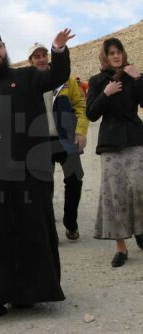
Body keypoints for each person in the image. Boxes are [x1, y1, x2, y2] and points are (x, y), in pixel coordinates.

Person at [0, 26, 74, 328]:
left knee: (29, 232)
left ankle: (27, 292)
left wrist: (58, 51)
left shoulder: (28, 77)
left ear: (5, 48)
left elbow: (56, 76)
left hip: (27, 175)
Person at [86, 37, 143, 267]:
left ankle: (140, 231)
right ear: (105, 56)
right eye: (111, 53)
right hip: (110, 144)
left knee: (140, 189)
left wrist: (139, 78)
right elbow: (91, 114)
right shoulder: (97, 81)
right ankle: (121, 247)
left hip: (136, 139)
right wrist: (105, 93)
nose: (116, 56)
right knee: (115, 195)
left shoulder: (134, 75)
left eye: (119, 51)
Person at [28, 42, 89, 240]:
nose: (41, 59)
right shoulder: (26, 84)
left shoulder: (66, 81)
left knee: (74, 179)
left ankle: (71, 223)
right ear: (30, 61)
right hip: (39, 143)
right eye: (36, 56)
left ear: (48, 57)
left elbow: (80, 106)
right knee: (43, 185)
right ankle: (49, 229)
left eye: (43, 54)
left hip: (66, 139)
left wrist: (80, 132)